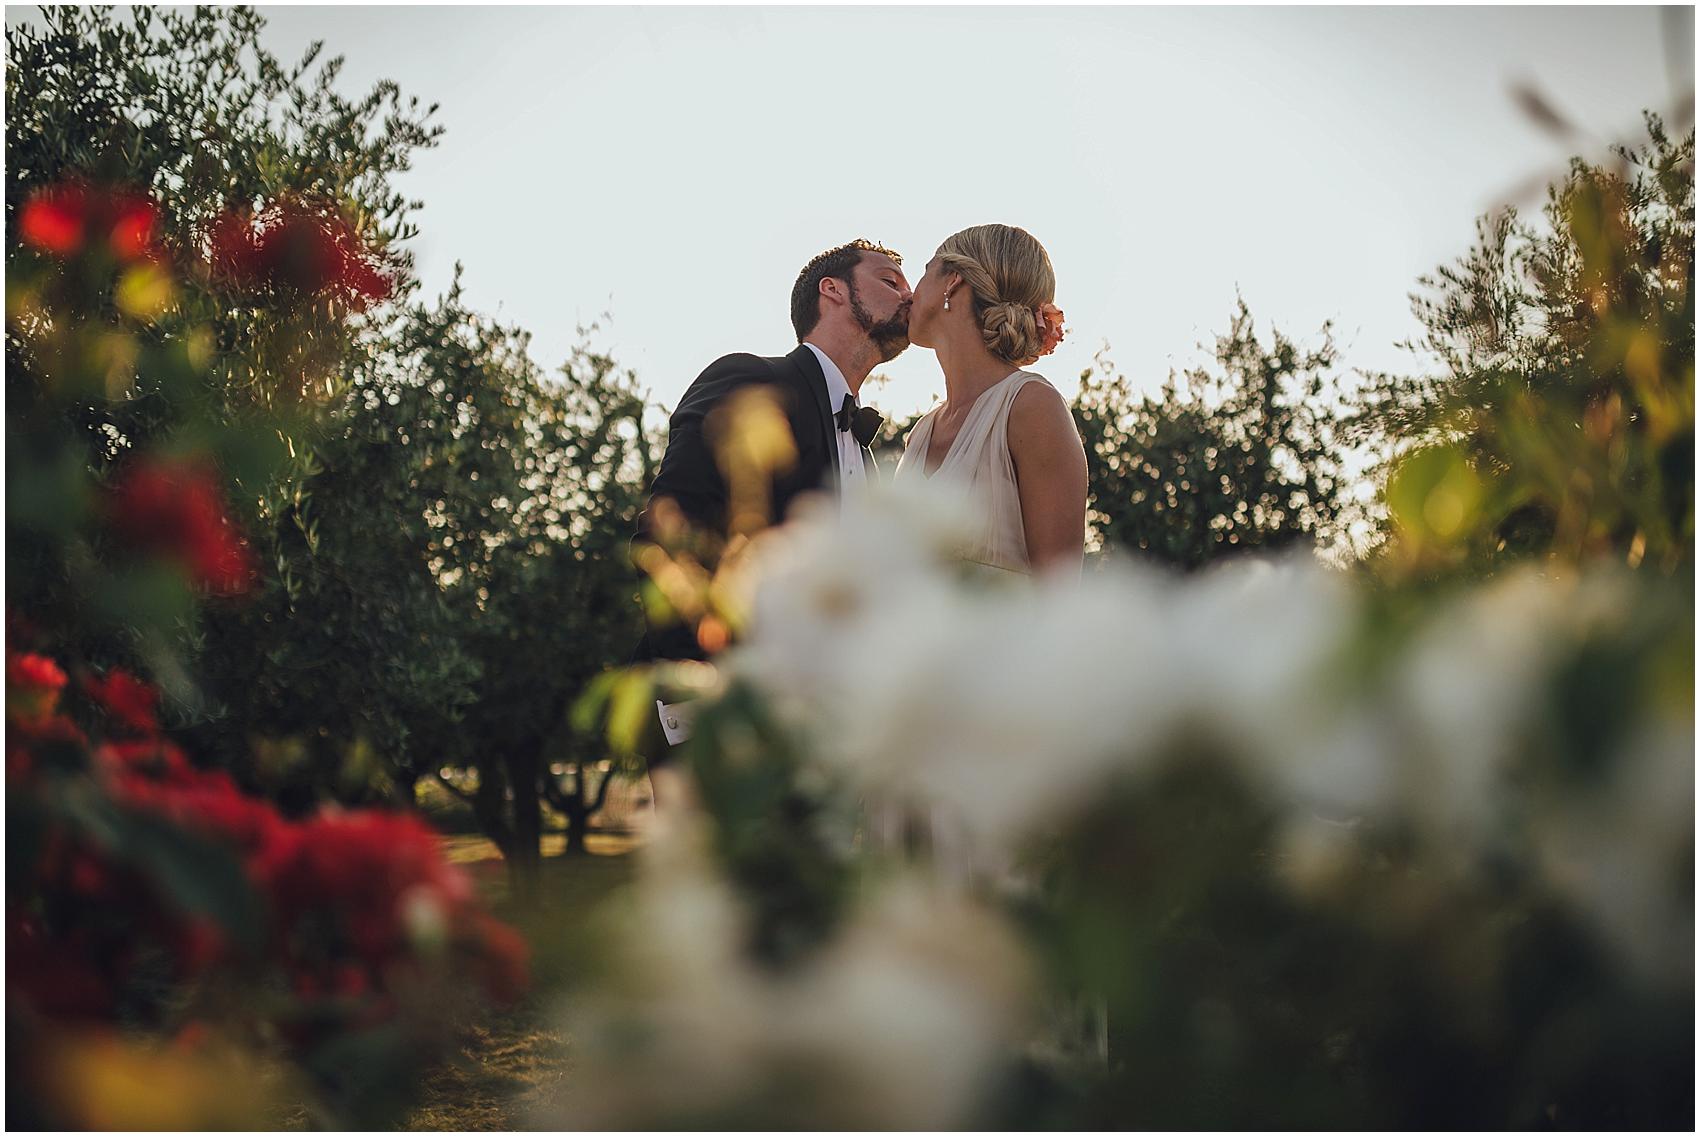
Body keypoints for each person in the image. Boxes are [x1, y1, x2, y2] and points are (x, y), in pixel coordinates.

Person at [631, 239, 912, 782]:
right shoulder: (751, 380)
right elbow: (670, 536)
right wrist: (699, 715)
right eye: (890, 281)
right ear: (833, 290)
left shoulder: (867, 455)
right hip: (724, 729)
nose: (909, 295)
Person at [894, 224, 1087, 577]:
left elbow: (1058, 597)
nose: (908, 294)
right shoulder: (921, 433)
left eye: (923, 273)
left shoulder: (1032, 407)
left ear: (953, 281)